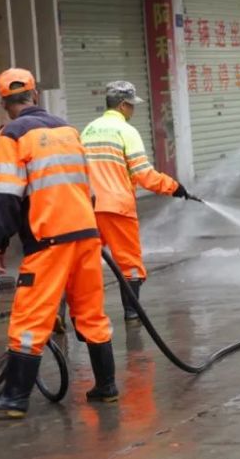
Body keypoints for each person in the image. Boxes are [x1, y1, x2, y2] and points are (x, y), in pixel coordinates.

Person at [0, 68, 117, 418]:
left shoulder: (11, 134)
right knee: (90, 312)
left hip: (48, 239)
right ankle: (106, 387)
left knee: (30, 316)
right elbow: (90, 187)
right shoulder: (68, 130)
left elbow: (6, 196)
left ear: (5, 103)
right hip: (85, 234)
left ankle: (15, 398)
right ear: (35, 95)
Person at [81, 81, 196, 323]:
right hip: (117, 207)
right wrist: (174, 187)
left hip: (88, 206)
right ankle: (132, 312)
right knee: (129, 262)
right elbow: (144, 174)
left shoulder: (89, 130)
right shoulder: (126, 131)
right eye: (131, 106)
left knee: (85, 261)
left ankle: (81, 312)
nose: (133, 111)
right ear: (123, 105)